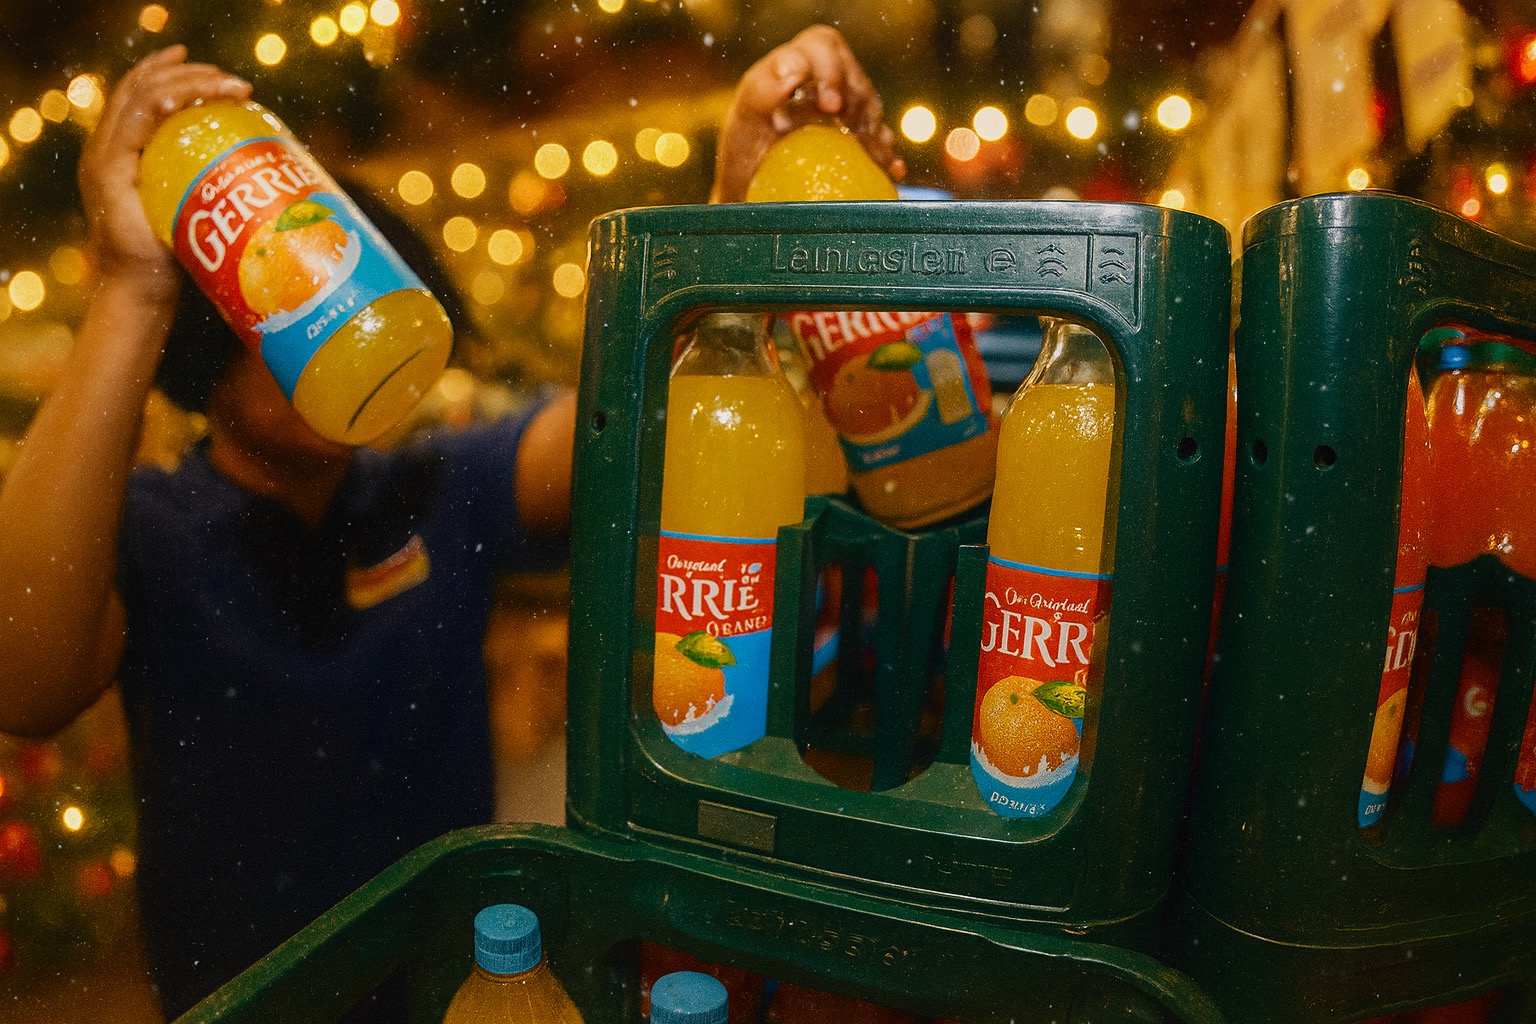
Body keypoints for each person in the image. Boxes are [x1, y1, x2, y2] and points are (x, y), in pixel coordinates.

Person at [0, 25, 901, 1022]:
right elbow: (23, 674)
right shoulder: (157, 527)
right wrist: (133, 282)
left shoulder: (432, 489)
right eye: (281, 294)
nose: (323, 320)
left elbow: (613, 419)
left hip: (458, 992)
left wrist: (730, 207)